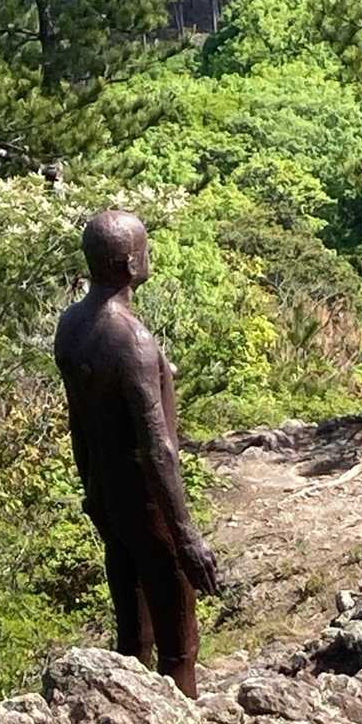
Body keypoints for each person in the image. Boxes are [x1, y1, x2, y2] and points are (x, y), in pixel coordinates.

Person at [55, 209, 218, 698]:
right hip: (150, 507)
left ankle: (127, 715)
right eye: (144, 250)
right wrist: (186, 536)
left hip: (108, 498)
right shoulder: (131, 339)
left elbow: (79, 419)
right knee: (178, 643)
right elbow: (157, 446)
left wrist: (90, 490)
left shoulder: (71, 324)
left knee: (132, 634)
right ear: (130, 263)